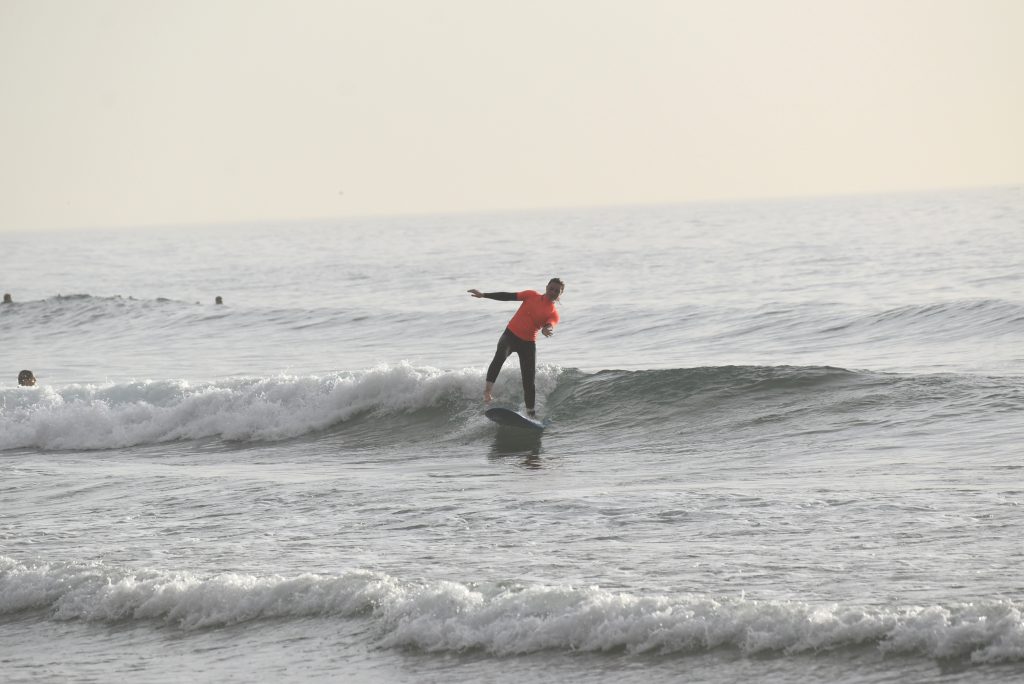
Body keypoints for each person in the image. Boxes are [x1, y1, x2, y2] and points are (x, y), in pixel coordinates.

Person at [468, 278, 564, 417]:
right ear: (547, 287)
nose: (553, 292)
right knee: (500, 355)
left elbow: (550, 324)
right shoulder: (531, 295)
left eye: (557, 290)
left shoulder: (553, 313)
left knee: (529, 380)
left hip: (528, 344)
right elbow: (508, 296)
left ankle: (531, 414)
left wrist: (545, 329)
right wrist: (484, 295)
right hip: (510, 335)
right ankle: (488, 391)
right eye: (551, 288)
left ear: (560, 293)